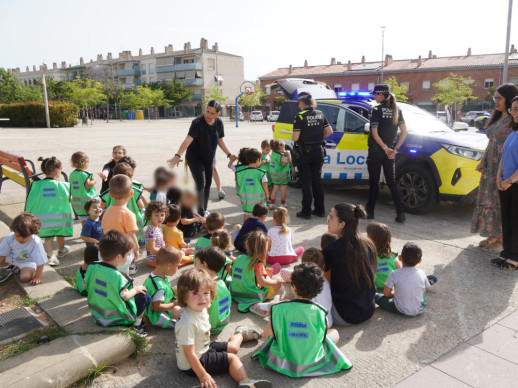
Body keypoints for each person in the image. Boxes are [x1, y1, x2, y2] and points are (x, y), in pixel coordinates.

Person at [174, 268, 270, 388]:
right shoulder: (187, 323)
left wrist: (206, 303)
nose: (202, 298)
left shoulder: (198, 307)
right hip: (194, 363)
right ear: (184, 297)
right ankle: (246, 383)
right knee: (233, 358)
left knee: (233, 348)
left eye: (206, 293)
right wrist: (203, 375)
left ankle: (241, 333)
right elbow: (190, 354)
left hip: (204, 347)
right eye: (195, 293)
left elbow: (203, 305)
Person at [252, 262, 352, 377]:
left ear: (294, 287)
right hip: (311, 361)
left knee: (273, 327)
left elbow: (267, 334)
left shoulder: (279, 308)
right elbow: (321, 335)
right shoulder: (320, 311)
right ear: (318, 289)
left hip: (283, 360)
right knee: (334, 332)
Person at [168, 100, 237, 217]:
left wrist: (229, 155)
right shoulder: (197, 123)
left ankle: (204, 209)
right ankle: (201, 212)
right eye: (207, 111)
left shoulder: (219, 123)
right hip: (194, 158)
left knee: (208, 184)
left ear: (218, 114)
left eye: (212, 113)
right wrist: (178, 155)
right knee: (201, 184)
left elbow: (220, 141)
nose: (209, 115)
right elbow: (188, 139)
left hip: (208, 157)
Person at [471, 83, 518, 253]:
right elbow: (491, 141)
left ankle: (501, 239)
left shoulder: (512, 119)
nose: (495, 101)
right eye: (495, 98)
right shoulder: (498, 116)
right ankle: (492, 233)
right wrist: (483, 161)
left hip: (502, 164)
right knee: (489, 200)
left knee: (499, 201)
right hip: (490, 165)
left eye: (499, 98)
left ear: (508, 98)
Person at [85, 230, 151, 337]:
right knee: (143, 295)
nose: (129, 257)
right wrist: (136, 289)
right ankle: (137, 326)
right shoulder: (118, 276)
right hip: (116, 318)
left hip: (97, 314)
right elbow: (125, 296)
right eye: (128, 254)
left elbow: (85, 284)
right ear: (118, 257)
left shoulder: (93, 266)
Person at [323, 203, 377, 325]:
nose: (327, 220)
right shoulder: (368, 243)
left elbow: (325, 283)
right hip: (368, 309)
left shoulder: (331, 250)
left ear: (342, 224)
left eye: (331, 217)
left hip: (345, 315)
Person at [366, 84, 408, 223]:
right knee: (392, 182)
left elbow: (374, 133)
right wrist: (394, 149)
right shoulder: (397, 110)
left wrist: (384, 148)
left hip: (377, 150)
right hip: (390, 151)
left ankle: (370, 211)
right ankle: (401, 212)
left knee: (374, 182)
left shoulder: (377, 109)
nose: (374, 96)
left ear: (381, 95)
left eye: (375, 94)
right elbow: (404, 132)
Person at [291, 92, 333, 219]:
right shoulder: (320, 113)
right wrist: (318, 139)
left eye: (299, 103)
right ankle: (320, 210)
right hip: (318, 151)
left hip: (305, 153)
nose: (299, 105)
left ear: (302, 103)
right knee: (317, 182)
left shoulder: (300, 116)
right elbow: (329, 131)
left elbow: (295, 137)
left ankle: (306, 212)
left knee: (306, 183)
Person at [25, 156, 73, 266]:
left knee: (49, 237)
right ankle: (60, 251)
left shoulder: (36, 185)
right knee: (60, 233)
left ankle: (50, 254)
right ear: (57, 171)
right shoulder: (62, 186)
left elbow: (32, 199)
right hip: (60, 218)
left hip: (43, 220)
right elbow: (69, 199)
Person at [278, 248, 334, 326]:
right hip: (327, 321)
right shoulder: (325, 280)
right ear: (323, 265)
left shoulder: (305, 284)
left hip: (312, 322)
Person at [493, 96, 518, 269]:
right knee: (507, 220)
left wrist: (509, 181)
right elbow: (504, 156)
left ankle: (515, 258)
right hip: (506, 183)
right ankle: (506, 253)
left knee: (516, 222)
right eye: (512, 109)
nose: (513, 113)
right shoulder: (513, 130)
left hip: (514, 184)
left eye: (517, 109)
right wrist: (499, 177)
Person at [231, 231, 282, 313]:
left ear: (247, 245)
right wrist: (275, 281)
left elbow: (243, 274)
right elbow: (262, 282)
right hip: (252, 295)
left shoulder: (239, 258)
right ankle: (257, 305)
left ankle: (255, 304)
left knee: (268, 277)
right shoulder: (258, 263)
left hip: (235, 293)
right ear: (264, 249)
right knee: (278, 283)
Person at [374, 243, 431, 316]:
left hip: (400, 309)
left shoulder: (394, 274)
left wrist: (396, 295)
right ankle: (425, 282)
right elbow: (424, 292)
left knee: (375, 295)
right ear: (420, 261)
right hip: (420, 309)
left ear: (400, 258)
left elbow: (386, 293)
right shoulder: (422, 273)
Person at [101, 175, 140, 275]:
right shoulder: (128, 214)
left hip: (107, 252)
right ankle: (126, 288)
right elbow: (131, 235)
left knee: (111, 275)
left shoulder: (107, 212)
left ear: (110, 194)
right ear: (131, 194)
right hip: (122, 253)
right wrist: (136, 248)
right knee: (124, 275)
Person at [101, 162, 146, 243]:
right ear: (131, 177)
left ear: (113, 176)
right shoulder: (135, 191)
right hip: (133, 225)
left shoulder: (108, 192)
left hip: (115, 224)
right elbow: (141, 206)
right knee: (133, 238)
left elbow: (102, 206)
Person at [0, 212, 48, 285]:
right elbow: (1, 255)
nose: (21, 239)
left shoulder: (36, 242)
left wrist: (37, 277)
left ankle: (23, 270)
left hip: (27, 262)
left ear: (33, 232)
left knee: (25, 277)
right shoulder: (9, 238)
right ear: (14, 231)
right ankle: (10, 269)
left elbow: (40, 261)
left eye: (25, 236)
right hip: (11, 259)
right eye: (18, 235)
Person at [143, 246, 183, 329]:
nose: (177, 268)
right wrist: (173, 304)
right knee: (184, 320)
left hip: (158, 308)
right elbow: (157, 307)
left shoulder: (155, 276)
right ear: (169, 266)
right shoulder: (159, 287)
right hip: (159, 316)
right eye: (177, 266)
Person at [195, 246, 231, 334]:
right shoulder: (222, 283)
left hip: (210, 327)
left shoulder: (203, 287)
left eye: (196, 263)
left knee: (177, 310)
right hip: (223, 322)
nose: (195, 266)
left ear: (204, 265)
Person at [366, 221, 401, 291]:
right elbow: (400, 270)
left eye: (368, 235)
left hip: (373, 291)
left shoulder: (367, 254)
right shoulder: (392, 254)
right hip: (389, 290)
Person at [235, 148, 268, 221]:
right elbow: (264, 184)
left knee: (246, 213)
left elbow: (238, 184)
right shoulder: (261, 172)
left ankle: (246, 228)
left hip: (246, 201)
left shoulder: (240, 173)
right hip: (259, 201)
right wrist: (267, 194)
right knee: (260, 215)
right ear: (257, 160)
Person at [69, 151, 97, 224]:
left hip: (77, 204)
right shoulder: (84, 175)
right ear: (84, 163)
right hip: (87, 203)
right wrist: (94, 180)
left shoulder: (72, 174)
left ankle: (84, 231)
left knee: (83, 219)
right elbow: (88, 185)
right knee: (91, 219)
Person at [144, 201, 168, 268]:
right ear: (150, 216)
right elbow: (152, 250)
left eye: (162, 215)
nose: (160, 218)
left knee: (180, 253)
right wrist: (166, 251)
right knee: (176, 258)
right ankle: (191, 259)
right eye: (156, 215)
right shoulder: (151, 231)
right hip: (154, 260)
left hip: (160, 256)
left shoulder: (158, 226)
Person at [268, 140, 291, 209]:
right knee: (283, 190)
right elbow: (289, 161)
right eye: (283, 146)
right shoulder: (281, 157)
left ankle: (271, 204)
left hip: (274, 176)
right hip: (282, 176)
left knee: (275, 189)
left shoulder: (273, 154)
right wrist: (288, 154)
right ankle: (282, 204)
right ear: (278, 148)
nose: (284, 148)